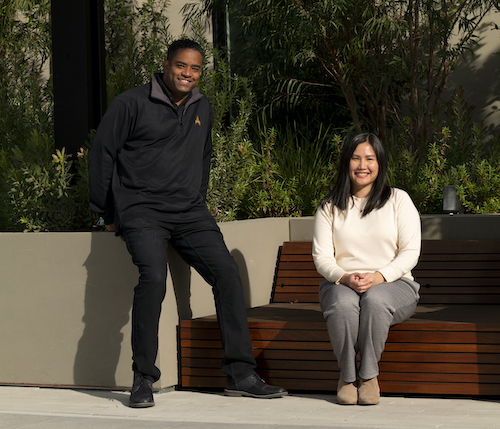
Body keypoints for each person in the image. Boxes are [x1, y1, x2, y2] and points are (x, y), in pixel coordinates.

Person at [89, 38, 287, 408]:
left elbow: (204, 154)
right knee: (153, 278)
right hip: (142, 210)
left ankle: (241, 372)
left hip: (189, 213)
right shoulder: (131, 103)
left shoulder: (202, 106)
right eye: (182, 66)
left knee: (227, 272)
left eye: (195, 69)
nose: (188, 74)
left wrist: (198, 196)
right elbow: (103, 153)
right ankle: (143, 378)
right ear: (166, 65)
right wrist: (105, 213)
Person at [312, 132, 421, 405]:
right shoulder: (329, 207)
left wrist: (379, 276)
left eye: (370, 159)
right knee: (343, 306)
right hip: (341, 283)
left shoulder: (398, 200)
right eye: (356, 158)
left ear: (380, 163)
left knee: (375, 299)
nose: (363, 165)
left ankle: (369, 376)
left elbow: (410, 252)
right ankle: (347, 378)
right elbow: (322, 257)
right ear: (346, 162)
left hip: (394, 284)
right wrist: (345, 277)